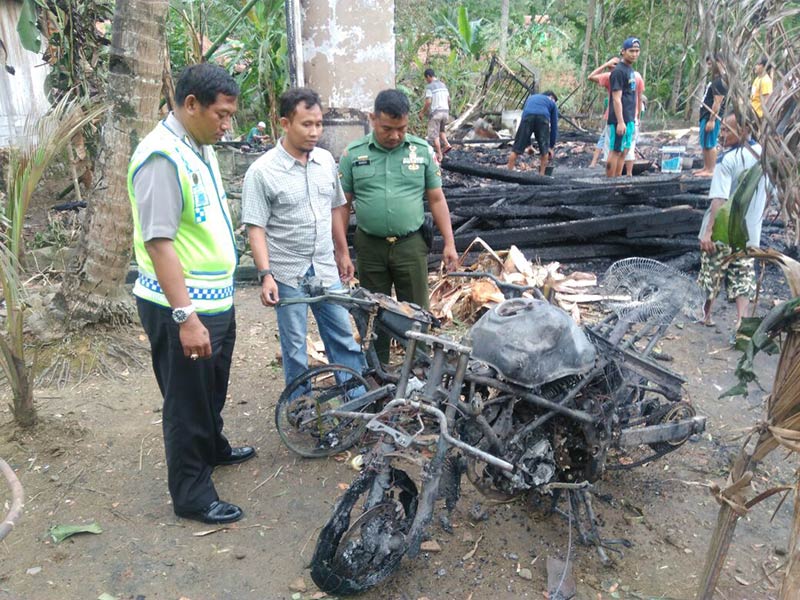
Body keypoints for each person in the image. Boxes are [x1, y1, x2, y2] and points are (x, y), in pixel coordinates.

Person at [128, 63, 253, 525]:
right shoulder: (161, 157)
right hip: (182, 306)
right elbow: (159, 243)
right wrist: (186, 317)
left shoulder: (197, 146)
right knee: (185, 400)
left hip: (214, 299)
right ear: (190, 104)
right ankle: (192, 492)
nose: (227, 125)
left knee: (211, 387)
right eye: (221, 115)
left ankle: (213, 447)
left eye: (230, 115)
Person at [241, 88, 365, 390]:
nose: (314, 132)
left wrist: (342, 251)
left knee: (342, 336)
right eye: (306, 124)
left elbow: (336, 208)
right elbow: (255, 227)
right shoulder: (262, 172)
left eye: (318, 124)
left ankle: (356, 400)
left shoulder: (325, 161)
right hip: (286, 271)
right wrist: (265, 275)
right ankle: (301, 408)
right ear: (285, 123)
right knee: (295, 346)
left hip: (324, 266)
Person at [339, 89, 459, 360]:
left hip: (410, 245)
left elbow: (437, 199)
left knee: (416, 311)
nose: (394, 135)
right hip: (370, 247)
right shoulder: (353, 155)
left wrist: (450, 243)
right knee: (372, 310)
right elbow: (342, 206)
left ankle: (418, 369)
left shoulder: (422, 152)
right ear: (372, 119)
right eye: (387, 129)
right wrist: (342, 251)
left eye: (401, 129)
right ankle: (376, 371)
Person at [697, 112, 769, 344]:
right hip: (749, 233)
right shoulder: (765, 158)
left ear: (745, 130)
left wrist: (709, 231)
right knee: (743, 276)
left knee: (712, 272)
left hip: (723, 232)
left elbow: (719, 199)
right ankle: (741, 322)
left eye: (728, 130)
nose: (722, 134)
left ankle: (706, 314)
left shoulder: (728, 160)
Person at [606, 37, 641, 178]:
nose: (634, 54)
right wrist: (620, 121)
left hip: (629, 117)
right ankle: (609, 181)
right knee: (615, 150)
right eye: (631, 51)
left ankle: (618, 178)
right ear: (623, 51)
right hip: (618, 119)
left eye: (637, 51)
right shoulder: (618, 71)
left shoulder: (630, 70)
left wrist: (633, 117)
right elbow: (616, 98)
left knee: (624, 150)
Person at [506, 90, 559, 175]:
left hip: (527, 117)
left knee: (516, 149)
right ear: (551, 97)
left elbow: (524, 117)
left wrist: (528, 145)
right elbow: (554, 126)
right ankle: (541, 176)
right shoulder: (552, 103)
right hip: (542, 119)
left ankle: (508, 174)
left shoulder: (531, 98)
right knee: (544, 151)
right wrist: (551, 146)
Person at [694, 56, 728, 177]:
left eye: (711, 64)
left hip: (711, 116)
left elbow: (717, 102)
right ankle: (706, 167)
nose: (709, 67)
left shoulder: (720, 81)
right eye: (708, 64)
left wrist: (712, 120)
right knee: (704, 143)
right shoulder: (715, 80)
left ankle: (711, 169)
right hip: (705, 115)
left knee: (710, 143)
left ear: (719, 63)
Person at [588, 56, 619, 168]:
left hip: (614, 115)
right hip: (619, 115)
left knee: (608, 141)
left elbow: (591, 76)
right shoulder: (611, 76)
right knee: (608, 139)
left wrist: (606, 64)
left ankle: (609, 167)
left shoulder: (610, 76)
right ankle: (597, 164)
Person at [419, 68, 453, 162]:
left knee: (434, 136)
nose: (427, 81)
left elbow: (428, 102)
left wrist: (422, 112)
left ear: (429, 76)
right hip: (445, 112)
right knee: (441, 131)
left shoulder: (430, 87)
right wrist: (446, 108)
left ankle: (439, 155)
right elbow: (449, 100)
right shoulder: (443, 85)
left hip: (436, 113)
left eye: (426, 79)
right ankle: (447, 144)